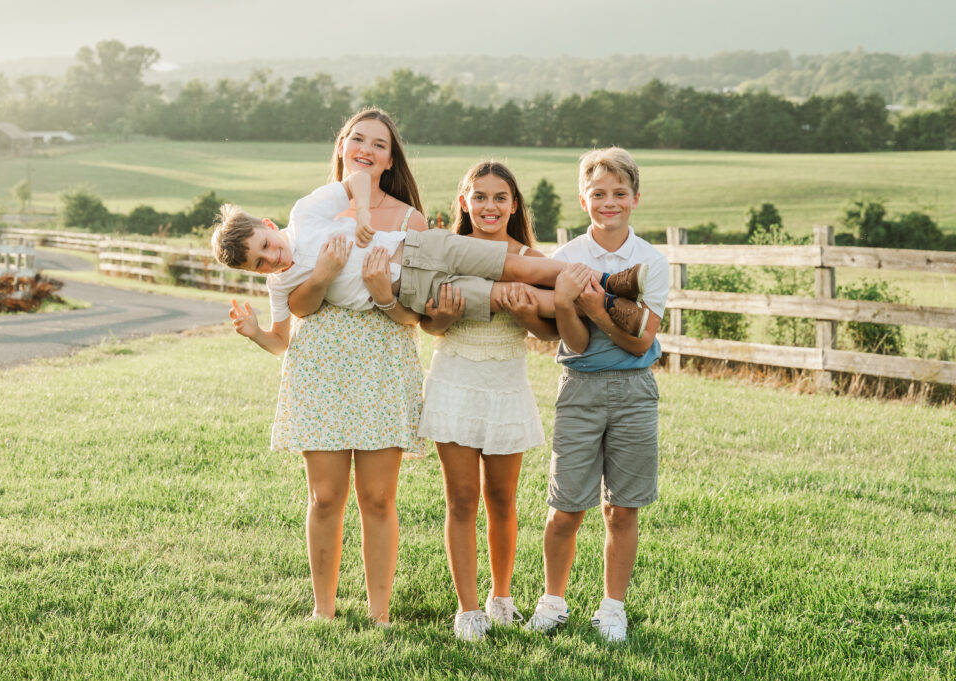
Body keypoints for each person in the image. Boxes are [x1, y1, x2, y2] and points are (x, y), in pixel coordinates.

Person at [218, 108, 428, 626]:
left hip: (382, 358)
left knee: (378, 497)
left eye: (379, 143)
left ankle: (380, 613)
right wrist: (258, 332)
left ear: (390, 156)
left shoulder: (409, 220)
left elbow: (417, 317)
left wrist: (381, 293)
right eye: (357, 138)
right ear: (340, 145)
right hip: (318, 367)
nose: (366, 149)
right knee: (326, 495)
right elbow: (294, 320)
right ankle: (324, 610)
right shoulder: (311, 211)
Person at [212, 173, 651, 340]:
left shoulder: (305, 214)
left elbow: (359, 180)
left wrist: (362, 212)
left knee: (518, 264)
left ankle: (610, 283)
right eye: (260, 264)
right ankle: (611, 310)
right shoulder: (282, 284)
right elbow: (282, 338)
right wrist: (254, 332)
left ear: (268, 226)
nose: (272, 259)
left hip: (421, 245)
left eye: (265, 246)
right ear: (255, 274)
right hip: (416, 288)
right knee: (508, 293)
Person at [523, 146, 670, 643]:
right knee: (567, 506)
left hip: (634, 390)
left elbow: (640, 340)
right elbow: (575, 341)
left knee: (622, 507)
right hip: (580, 388)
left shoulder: (651, 261)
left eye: (619, 193)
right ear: (583, 199)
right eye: (598, 193)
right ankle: (553, 600)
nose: (610, 202)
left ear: (635, 198)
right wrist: (569, 304)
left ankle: (612, 609)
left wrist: (597, 304)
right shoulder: (566, 259)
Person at [417, 162, 558, 641]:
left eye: (500, 198)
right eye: (479, 197)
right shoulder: (448, 253)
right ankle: (468, 609)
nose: (489, 206)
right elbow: (428, 325)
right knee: (461, 499)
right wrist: (440, 316)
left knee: (502, 498)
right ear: (464, 201)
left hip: (505, 382)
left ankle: (501, 598)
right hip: (455, 376)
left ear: (514, 205)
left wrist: (527, 313)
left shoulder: (530, 259)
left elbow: (548, 330)